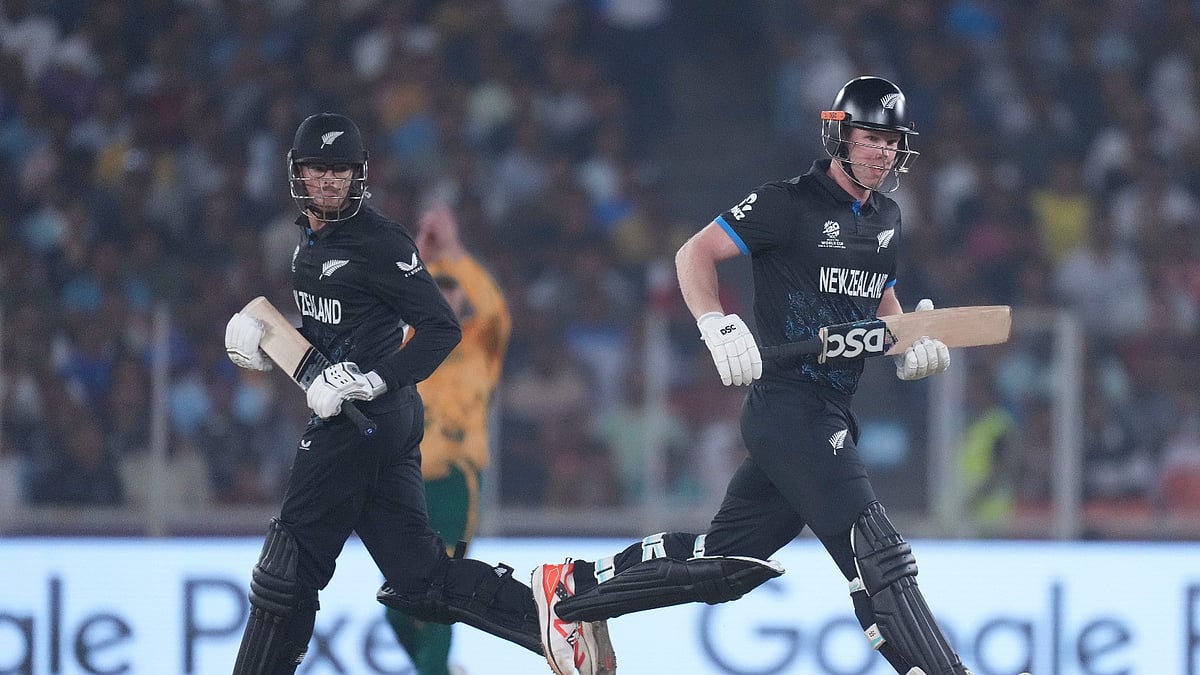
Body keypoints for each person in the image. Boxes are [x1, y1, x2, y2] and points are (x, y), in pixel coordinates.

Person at [533, 77, 979, 675]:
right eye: (870, 138)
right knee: (877, 553)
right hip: (788, 408)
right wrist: (716, 323)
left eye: (891, 141)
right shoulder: (787, 203)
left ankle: (572, 591)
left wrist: (910, 342)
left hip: (828, 410)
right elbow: (694, 253)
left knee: (724, 564)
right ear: (841, 135)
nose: (881, 153)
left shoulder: (889, 218)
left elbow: (880, 300)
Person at [222, 112, 557, 673]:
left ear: (359, 177)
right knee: (420, 581)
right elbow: (329, 341)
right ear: (296, 174)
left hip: (366, 419)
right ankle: (551, 612)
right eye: (317, 169)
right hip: (384, 423)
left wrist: (373, 378)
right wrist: (271, 346)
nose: (329, 181)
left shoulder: (379, 241)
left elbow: (441, 327)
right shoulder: (307, 247)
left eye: (340, 170)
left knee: (289, 568)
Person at [379, 204, 515, 674]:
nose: (446, 294)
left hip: (454, 483)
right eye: (436, 287)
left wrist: (453, 252)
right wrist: (414, 256)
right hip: (403, 483)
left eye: (452, 287)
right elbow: (384, 300)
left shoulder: (481, 343)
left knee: (437, 593)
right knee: (396, 605)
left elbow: (495, 308)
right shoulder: (401, 345)